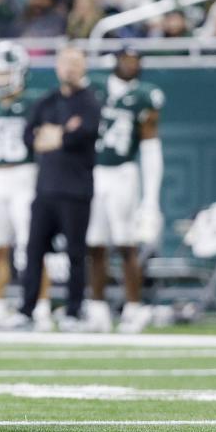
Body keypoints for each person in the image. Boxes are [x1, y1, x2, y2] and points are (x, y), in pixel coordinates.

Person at [5, 46, 100, 331]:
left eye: (75, 62)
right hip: (45, 189)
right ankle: (27, 310)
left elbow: (83, 134)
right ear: (57, 66)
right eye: (65, 62)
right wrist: (61, 133)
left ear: (83, 66)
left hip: (76, 190)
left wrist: (54, 135)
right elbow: (28, 136)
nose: (69, 68)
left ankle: (73, 311)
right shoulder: (46, 101)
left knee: (75, 253)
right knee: (33, 251)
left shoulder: (90, 102)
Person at [0, 41, 51, 331]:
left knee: (32, 247)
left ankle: (40, 309)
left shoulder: (34, 104)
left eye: (6, 73)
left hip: (24, 176)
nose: (1, 79)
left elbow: (44, 148)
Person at [86, 47, 165, 334]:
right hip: (94, 170)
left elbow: (151, 147)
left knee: (125, 242)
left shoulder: (145, 95)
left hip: (122, 171)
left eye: (136, 61)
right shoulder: (94, 88)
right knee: (94, 242)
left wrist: (151, 200)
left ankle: (134, 307)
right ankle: (97, 308)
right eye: (126, 59)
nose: (131, 65)